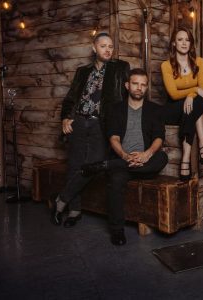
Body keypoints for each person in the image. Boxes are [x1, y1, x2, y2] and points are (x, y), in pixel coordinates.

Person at [81, 68, 168, 245]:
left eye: (143, 85)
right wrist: (125, 156)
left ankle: (106, 165)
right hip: (123, 160)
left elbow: (159, 137)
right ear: (127, 85)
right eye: (135, 84)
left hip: (146, 164)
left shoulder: (154, 110)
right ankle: (117, 230)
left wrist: (146, 154)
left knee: (163, 157)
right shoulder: (116, 109)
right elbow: (113, 138)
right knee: (115, 182)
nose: (139, 88)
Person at [52, 32, 129, 228]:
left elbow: (124, 98)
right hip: (78, 121)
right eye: (103, 46)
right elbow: (70, 99)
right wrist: (65, 118)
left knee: (94, 166)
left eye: (111, 46)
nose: (108, 49)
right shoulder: (82, 71)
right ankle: (74, 210)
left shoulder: (120, 68)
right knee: (75, 165)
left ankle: (61, 199)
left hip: (100, 124)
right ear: (94, 48)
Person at [161, 28, 203, 181]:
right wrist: (194, 90)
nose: (184, 43)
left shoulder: (199, 61)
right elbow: (173, 94)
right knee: (197, 106)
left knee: (201, 102)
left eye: (187, 40)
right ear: (173, 43)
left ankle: (186, 157)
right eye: (180, 39)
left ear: (191, 43)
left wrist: (191, 95)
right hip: (173, 107)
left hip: (192, 106)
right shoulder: (166, 65)